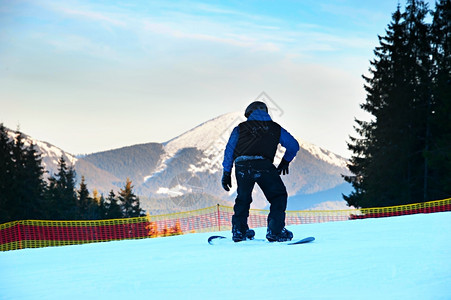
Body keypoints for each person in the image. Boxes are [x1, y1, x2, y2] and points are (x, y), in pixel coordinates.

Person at [221, 101, 300, 242]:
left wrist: (227, 172)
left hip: (242, 166)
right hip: (264, 164)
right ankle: (275, 231)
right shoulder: (275, 128)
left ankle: (239, 231)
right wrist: (285, 161)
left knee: (243, 198)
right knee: (278, 196)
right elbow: (293, 145)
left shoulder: (240, 128)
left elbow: (229, 151)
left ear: (249, 113)